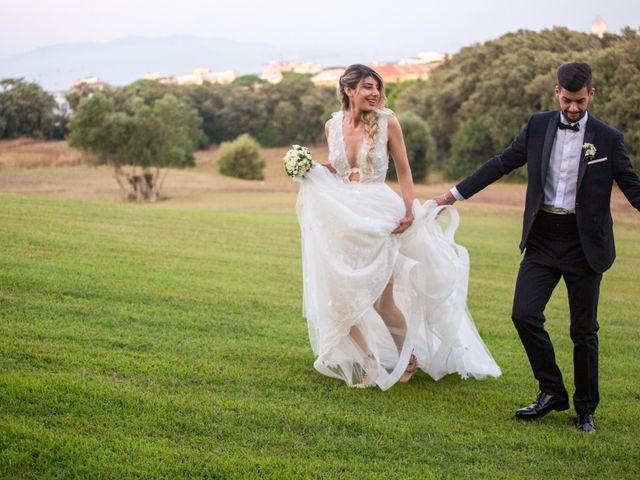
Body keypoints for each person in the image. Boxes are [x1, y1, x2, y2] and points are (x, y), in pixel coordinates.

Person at [435, 62, 640, 433]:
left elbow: (631, 185)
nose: (573, 108)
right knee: (524, 314)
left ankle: (586, 410)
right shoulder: (539, 124)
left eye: (579, 101)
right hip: (543, 238)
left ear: (591, 95)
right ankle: (552, 392)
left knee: (583, 330)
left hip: (585, 246)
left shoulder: (608, 139)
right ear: (555, 92)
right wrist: (452, 195)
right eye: (566, 100)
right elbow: (501, 163)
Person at [296, 64, 501, 390]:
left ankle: (409, 359)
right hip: (343, 214)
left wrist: (408, 209)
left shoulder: (388, 122)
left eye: (377, 87)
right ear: (348, 90)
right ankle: (370, 363)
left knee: (381, 300)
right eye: (367, 87)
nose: (375, 93)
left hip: (380, 214)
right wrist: (307, 167)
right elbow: (338, 170)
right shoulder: (331, 126)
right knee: (339, 296)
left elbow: (404, 171)